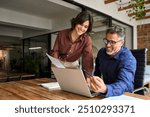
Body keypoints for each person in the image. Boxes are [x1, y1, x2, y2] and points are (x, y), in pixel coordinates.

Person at [90, 27, 137, 97]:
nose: (108, 45)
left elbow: (123, 84)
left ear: (121, 43)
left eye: (112, 42)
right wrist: (93, 83)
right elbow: (97, 73)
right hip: (104, 93)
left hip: (124, 95)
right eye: (106, 41)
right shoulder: (102, 53)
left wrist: (105, 89)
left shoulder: (128, 59)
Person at [50, 11, 94, 84]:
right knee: (59, 85)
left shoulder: (87, 40)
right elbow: (55, 51)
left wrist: (88, 76)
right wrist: (55, 63)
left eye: (85, 26)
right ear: (76, 22)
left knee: (73, 85)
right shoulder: (62, 34)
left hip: (73, 64)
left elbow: (88, 59)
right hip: (60, 63)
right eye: (81, 24)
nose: (82, 28)